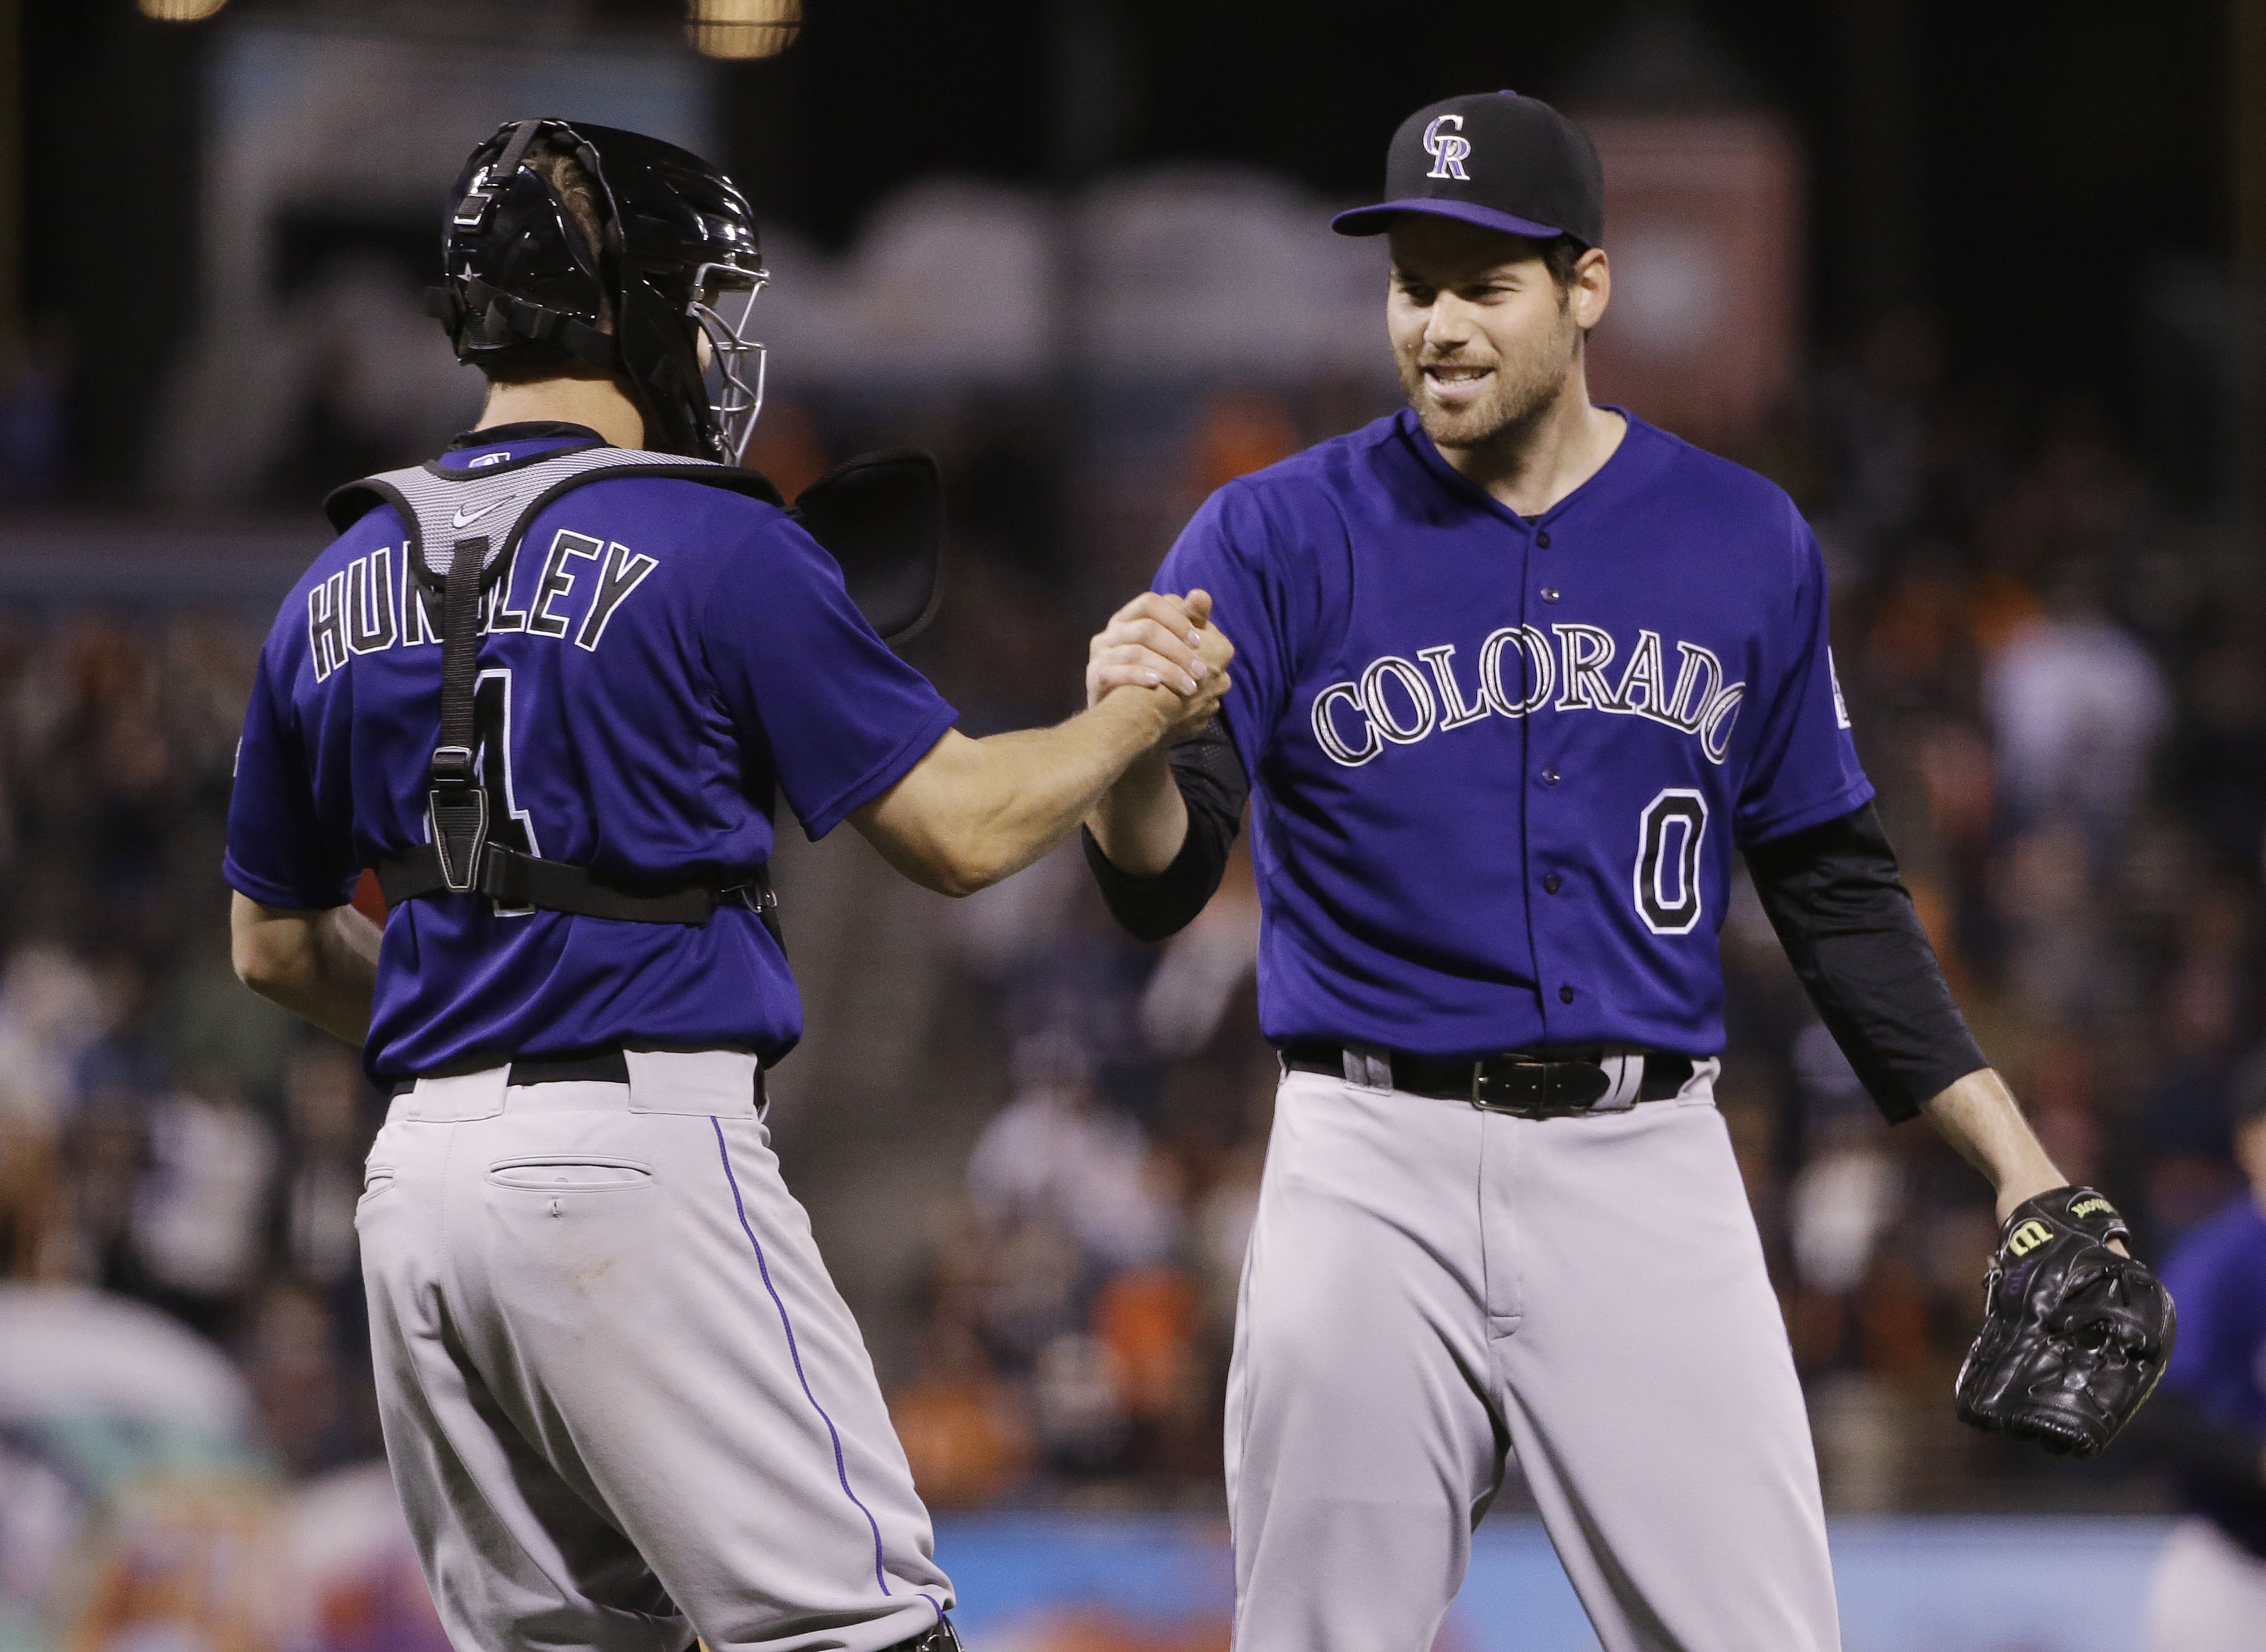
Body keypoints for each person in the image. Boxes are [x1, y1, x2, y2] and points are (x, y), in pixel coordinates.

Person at [1079, 90, 2154, 1651]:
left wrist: (2014, 1164)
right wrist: (1119, 760)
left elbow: (1834, 888)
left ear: (1586, 286)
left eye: (1481, 282)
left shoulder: (1744, 538)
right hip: (1364, 1165)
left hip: (1642, 1163)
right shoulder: (1266, 535)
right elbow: (1155, 888)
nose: (1436, 324)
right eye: (1410, 284)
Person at [223, 119, 1230, 1652]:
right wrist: (1137, 717)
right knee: (864, 1631)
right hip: (633, 1154)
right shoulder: (707, 536)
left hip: (416, 1184)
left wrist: (468, 1027)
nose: (710, 336)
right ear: (619, 305)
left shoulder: (330, 579)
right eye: (693, 296)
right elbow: (956, 833)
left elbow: (274, 947)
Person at [2145, 1055, 2266, 1652]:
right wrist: (2257, 1460)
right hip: (2236, 1569)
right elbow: (2165, 1410)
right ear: (2251, 1141)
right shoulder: (2219, 1261)